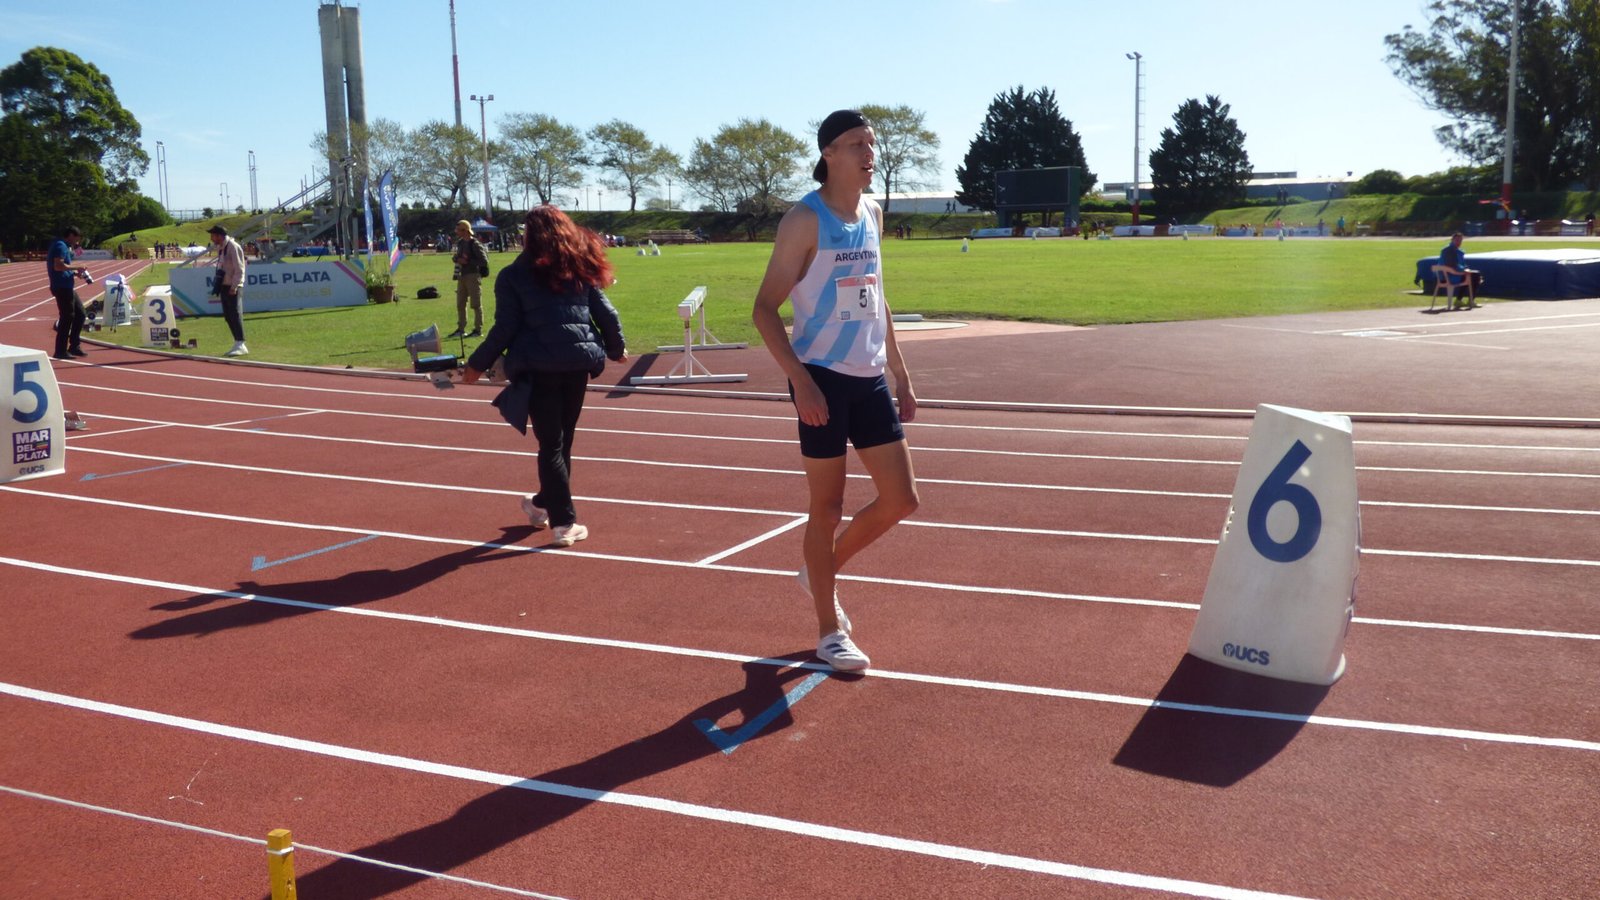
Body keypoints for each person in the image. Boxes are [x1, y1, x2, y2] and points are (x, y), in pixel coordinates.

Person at [751, 109, 920, 673]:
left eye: (871, 143)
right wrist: (800, 381)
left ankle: (817, 570)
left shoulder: (872, 211)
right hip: (820, 376)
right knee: (825, 510)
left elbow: (878, 296)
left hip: (868, 376)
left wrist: (901, 373)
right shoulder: (805, 219)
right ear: (828, 154)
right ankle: (828, 631)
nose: (869, 153)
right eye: (855, 144)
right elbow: (764, 308)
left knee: (901, 500)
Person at [462, 206, 626, 547]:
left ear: (529, 236)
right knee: (561, 442)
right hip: (577, 363)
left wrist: (477, 365)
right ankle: (543, 507)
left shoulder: (513, 275)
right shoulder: (578, 268)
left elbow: (504, 327)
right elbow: (606, 315)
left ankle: (560, 520)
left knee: (552, 443)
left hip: (538, 366)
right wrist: (615, 348)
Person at [47, 226, 92, 360]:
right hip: (61, 286)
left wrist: (73, 273)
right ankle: (60, 350)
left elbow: (62, 267)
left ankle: (74, 346)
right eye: (77, 238)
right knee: (67, 317)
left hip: (66, 285)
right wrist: (78, 267)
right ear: (71, 235)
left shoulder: (62, 245)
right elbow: (58, 266)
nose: (77, 241)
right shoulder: (60, 245)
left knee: (80, 314)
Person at [207, 225, 250, 355]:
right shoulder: (221, 248)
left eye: (213, 235)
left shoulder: (233, 246)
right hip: (224, 286)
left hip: (232, 286)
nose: (211, 238)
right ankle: (237, 342)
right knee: (228, 316)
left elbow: (239, 268)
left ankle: (241, 343)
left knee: (235, 314)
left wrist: (234, 286)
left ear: (219, 235)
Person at [450, 219, 489, 338]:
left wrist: (468, 262)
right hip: (462, 276)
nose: (457, 232)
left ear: (465, 230)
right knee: (460, 304)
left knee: (476, 304)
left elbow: (484, 261)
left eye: (458, 230)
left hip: (473, 275)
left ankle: (478, 330)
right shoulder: (461, 243)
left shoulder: (475, 244)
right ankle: (461, 329)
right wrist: (457, 259)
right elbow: (456, 257)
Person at [1437, 232, 1479, 309]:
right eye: (1457, 240)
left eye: (1460, 240)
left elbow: (1461, 264)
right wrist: (1464, 270)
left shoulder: (1458, 251)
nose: (1459, 242)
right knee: (1475, 276)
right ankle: (1468, 300)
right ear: (1452, 240)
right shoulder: (1449, 250)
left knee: (1473, 276)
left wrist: (1466, 269)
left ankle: (1460, 300)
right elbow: (1451, 265)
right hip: (1448, 276)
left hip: (1454, 274)